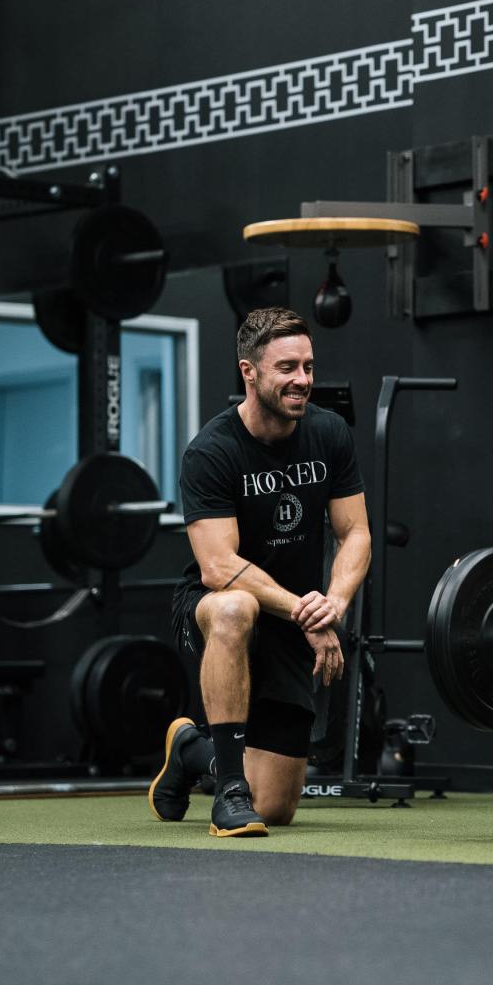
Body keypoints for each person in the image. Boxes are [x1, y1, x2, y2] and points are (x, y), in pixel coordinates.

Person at [148, 307, 370, 837]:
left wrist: (333, 604)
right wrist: (304, 611)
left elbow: (355, 533)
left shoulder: (330, 434)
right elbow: (218, 565)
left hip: (295, 615)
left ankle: (190, 750)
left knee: (274, 806)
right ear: (249, 372)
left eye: (309, 366)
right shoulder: (212, 450)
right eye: (287, 368)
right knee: (234, 606)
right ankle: (226, 792)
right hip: (214, 604)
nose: (303, 381)